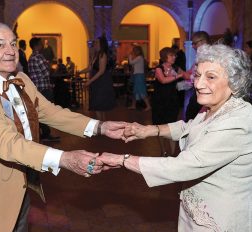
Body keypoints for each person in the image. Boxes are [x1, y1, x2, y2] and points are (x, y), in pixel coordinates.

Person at [0, 22, 126, 232]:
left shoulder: (21, 79)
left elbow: (50, 112)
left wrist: (100, 126)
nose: (10, 51)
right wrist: (65, 159)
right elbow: (7, 143)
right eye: (0, 45)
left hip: (23, 182)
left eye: (13, 43)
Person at [99, 44, 252, 231]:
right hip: (195, 209)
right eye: (198, 75)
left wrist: (121, 160)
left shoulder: (238, 121)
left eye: (210, 77)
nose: (198, 84)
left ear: (234, 82)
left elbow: (184, 165)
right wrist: (148, 130)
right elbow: (188, 127)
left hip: (219, 218)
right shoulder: (213, 106)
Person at [152, 47, 186, 156]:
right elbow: (163, 80)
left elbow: (187, 75)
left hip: (172, 101)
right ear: (165, 57)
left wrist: (193, 72)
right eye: (171, 55)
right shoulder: (159, 69)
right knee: (160, 127)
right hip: (160, 102)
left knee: (172, 127)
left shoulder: (176, 68)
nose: (174, 57)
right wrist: (178, 75)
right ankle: (163, 151)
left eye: (174, 55)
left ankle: (172, 154)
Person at [28, 37, 60, 142]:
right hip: (44, 88)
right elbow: (47, 74)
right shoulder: (39, 57)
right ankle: (46, 135)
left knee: (40, 111)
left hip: (36, 89)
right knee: (47, 112)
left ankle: (43, 133)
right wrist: (50, 66)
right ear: (37, 46)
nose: (42, 46)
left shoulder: (31, 57)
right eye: (41, 44)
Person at [79, 35, 116, 121]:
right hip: (97, 82)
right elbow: (89, 68)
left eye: (96, 43)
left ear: (101, 44)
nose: (94, 44)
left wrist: (89, 81)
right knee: (99, 107)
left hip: (102, 82)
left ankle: (101, 127)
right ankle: (102, 125)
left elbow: (101, 71)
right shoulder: (96, 55)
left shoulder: (102, 55)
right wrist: (80, 72)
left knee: (99, 105)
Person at [183, 31, 210, 121]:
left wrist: (189, 77)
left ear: (203, 41)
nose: (193, 46)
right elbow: (192, 70)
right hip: (199, 91)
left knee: (192, 116)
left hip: (205, 91)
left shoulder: (208, 55)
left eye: (195, 43)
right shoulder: (201, 55)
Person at [127, 45, 151, 111]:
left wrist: (129, 55)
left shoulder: (140, 57)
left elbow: (131, 63)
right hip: (137, 75)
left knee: (141, 91)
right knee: (135, 91)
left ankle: (148, 106)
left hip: (139, 76)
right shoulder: (139, 57)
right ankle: (133, 105)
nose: (133, 51)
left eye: (134, 50)